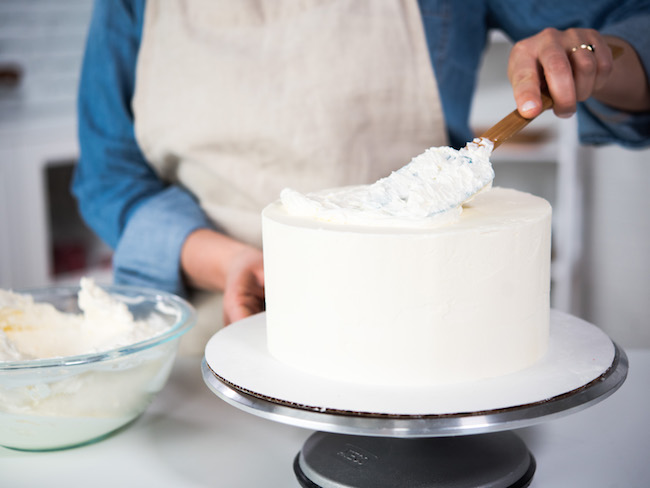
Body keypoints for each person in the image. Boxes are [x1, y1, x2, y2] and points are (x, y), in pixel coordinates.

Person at [73, 0, 650, 353]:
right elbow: (108, 176)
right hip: (217, 332)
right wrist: (228, 262)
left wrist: (598, 55)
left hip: (422, 329)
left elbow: (632, 34)